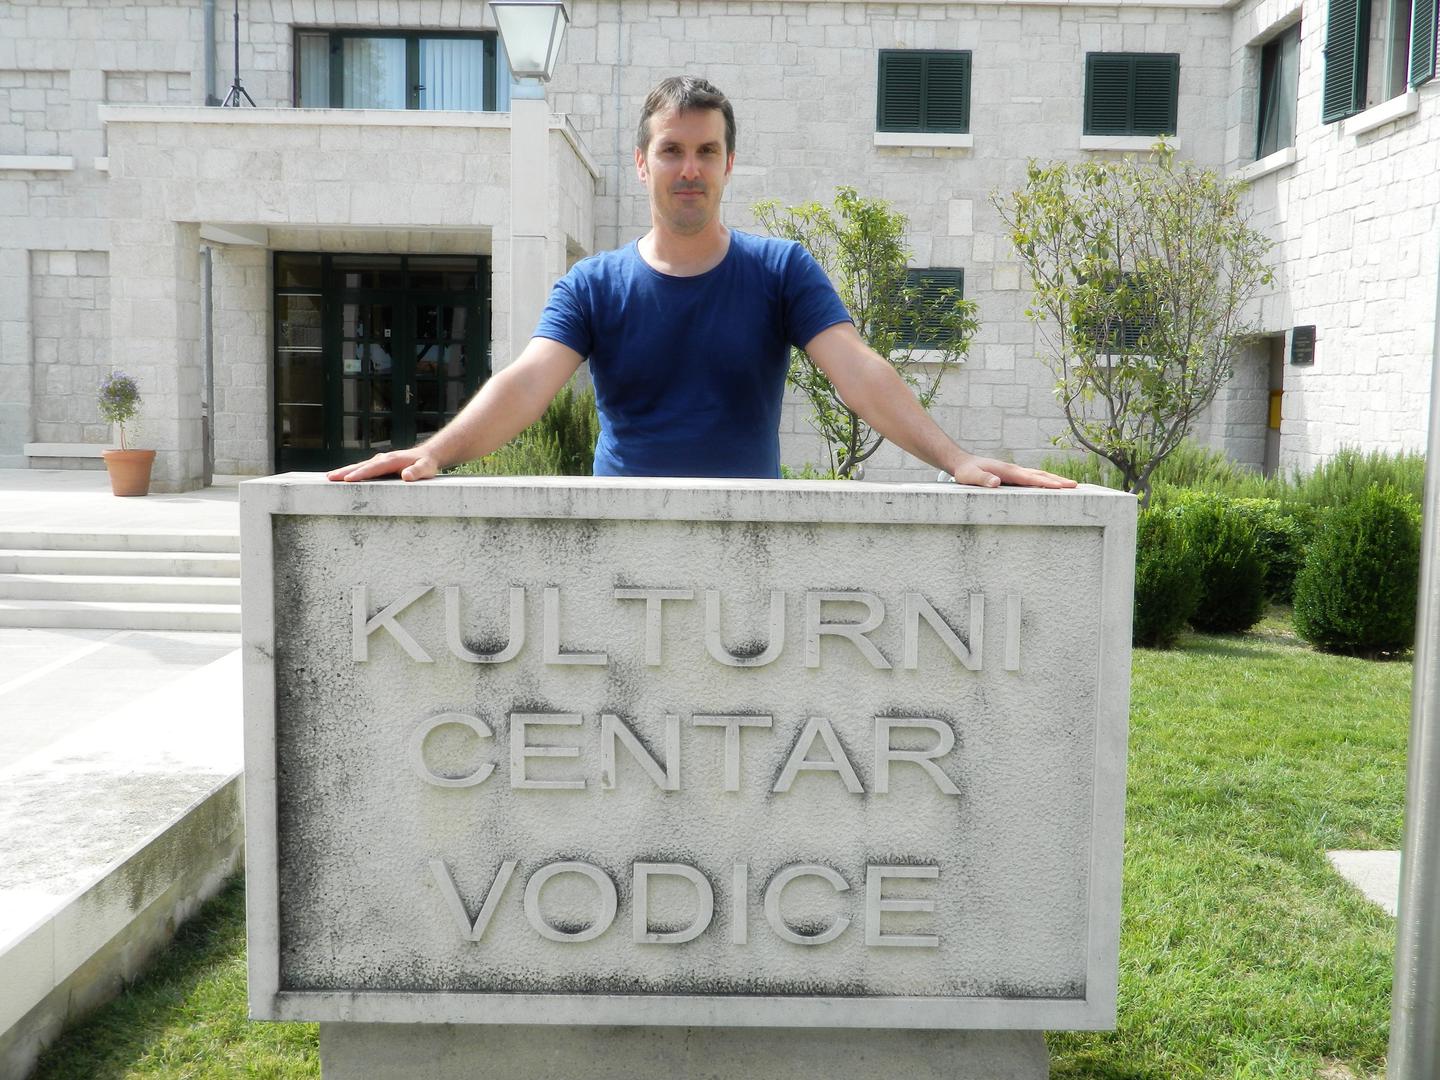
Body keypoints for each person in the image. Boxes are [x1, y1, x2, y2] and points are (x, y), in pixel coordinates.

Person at [328, 76, 1076, 491]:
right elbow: (526, 384)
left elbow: (859, 373)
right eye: (672, 150)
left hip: (748, 544)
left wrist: (955, 459)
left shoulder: (782, 271)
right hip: (620, 545)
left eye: (707, 151)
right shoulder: (592, 285)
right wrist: (436, 452)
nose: (690, 169)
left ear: (728, 164)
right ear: (641, 163)